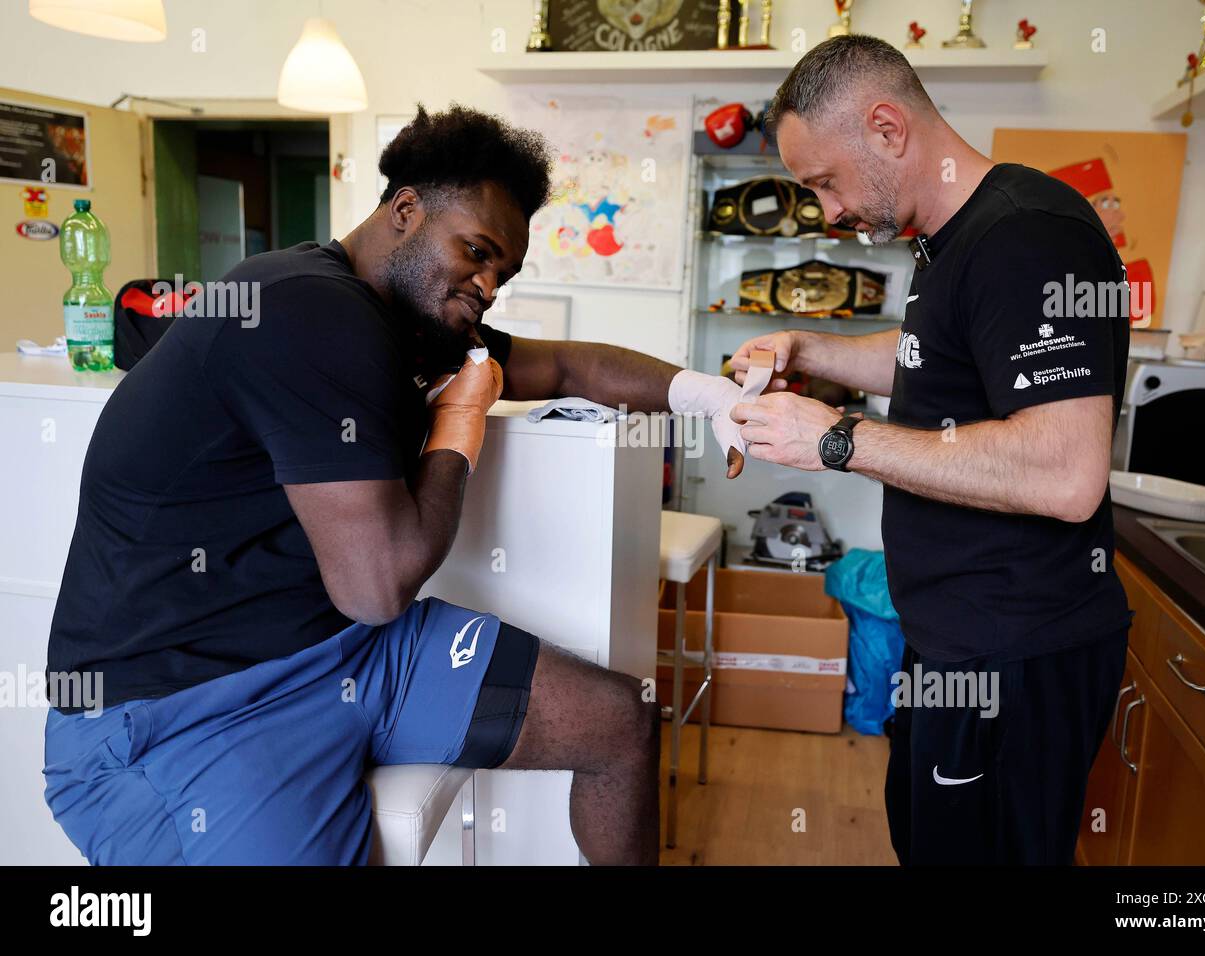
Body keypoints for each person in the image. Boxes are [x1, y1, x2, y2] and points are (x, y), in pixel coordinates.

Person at [42, 104, 747, 866]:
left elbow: (574, 365)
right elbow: (377, 585)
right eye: (475, 253)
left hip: (342, 648)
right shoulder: (306, 307)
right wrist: (459, 427)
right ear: (406, 209)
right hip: (185, 706)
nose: (487, 286)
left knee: (619, 723)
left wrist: (711, 396)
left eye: (502, 273)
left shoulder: (409, 321)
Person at [729, 35, 1133, 865]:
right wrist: (808, 348)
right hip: (950, 635)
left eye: (825, 183)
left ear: (886, 127)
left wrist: (837, 441)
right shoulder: (950, 237)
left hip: (1015, 653)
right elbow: (930, 357)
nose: (828, 213)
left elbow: (1066, 473)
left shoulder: (1028, 237)